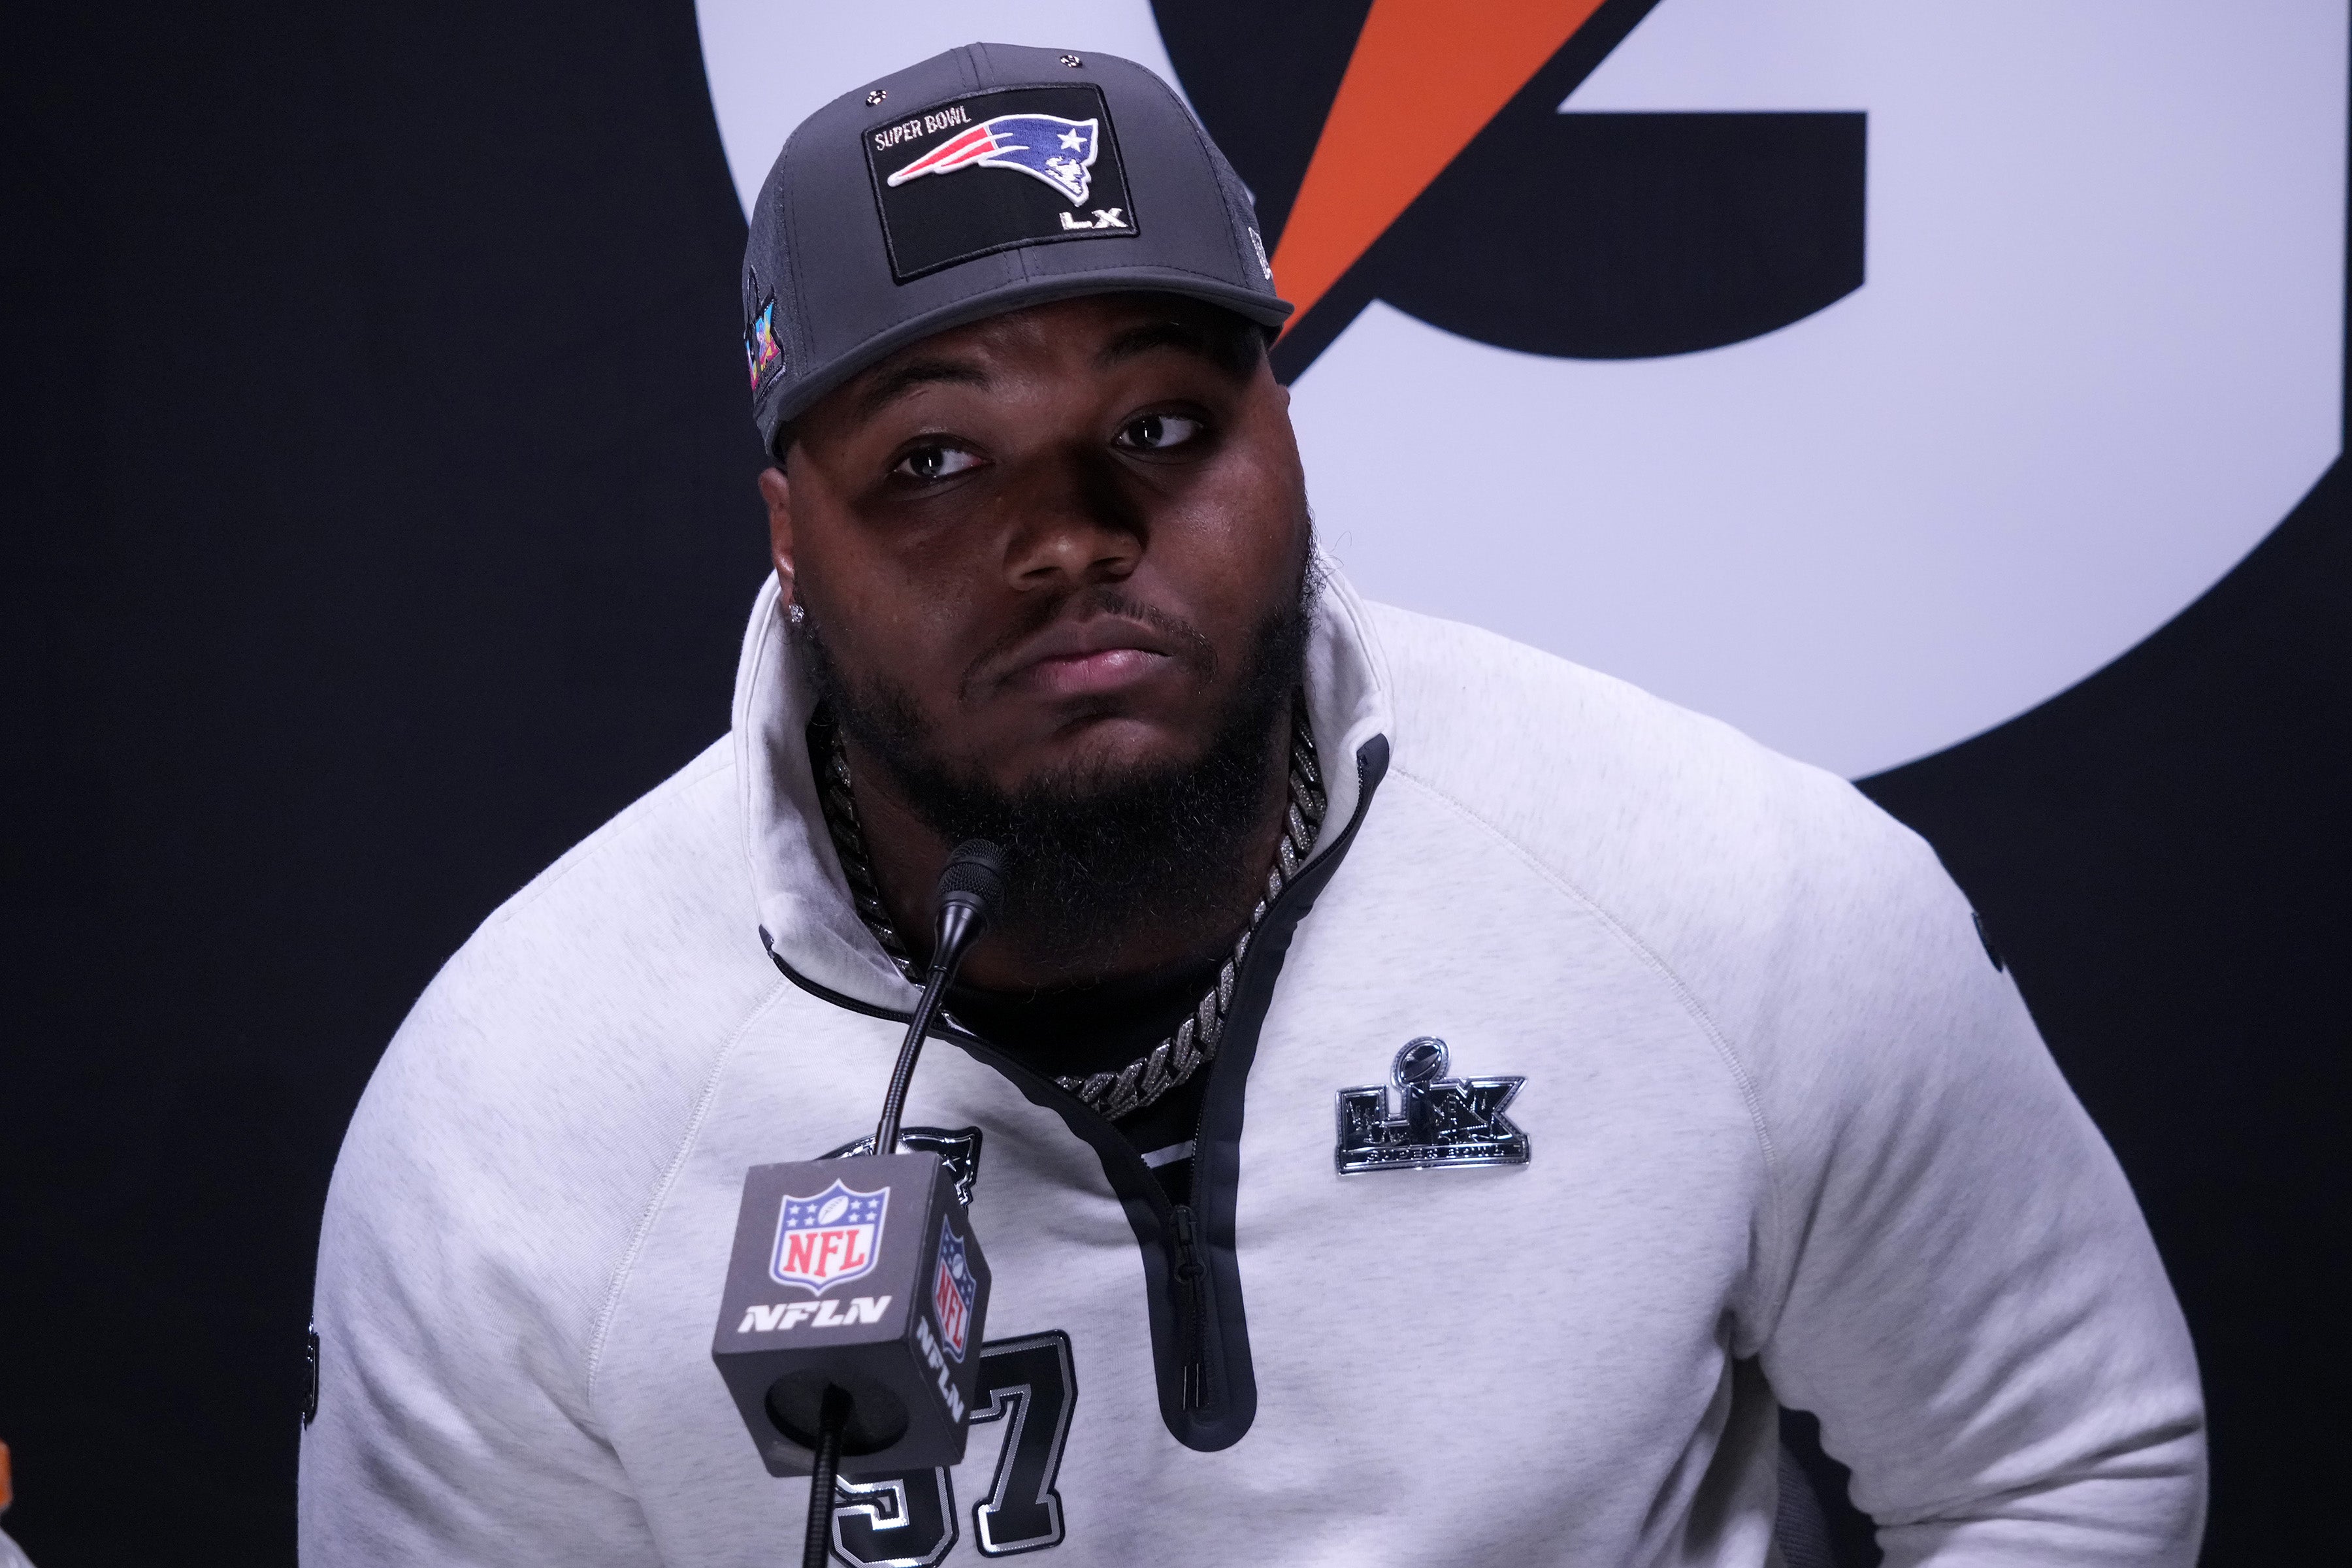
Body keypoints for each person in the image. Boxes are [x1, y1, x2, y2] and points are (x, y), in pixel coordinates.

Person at [299, 42, 2205, 1567]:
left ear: (1286, 431)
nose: (1068, 535)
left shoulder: (1724, 895)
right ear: (790, 536)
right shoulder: (521, 1114)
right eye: (937, 459)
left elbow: (2062, 1465)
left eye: (1160, 427)